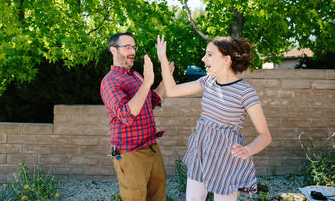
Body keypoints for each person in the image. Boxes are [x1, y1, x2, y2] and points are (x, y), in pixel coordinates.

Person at [156, 35, 272, 201]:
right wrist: (162, 58)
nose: (203, 59)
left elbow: (265, 136)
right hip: (200, 152)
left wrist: (247, 150)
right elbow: (172, 91)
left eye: (209, 54)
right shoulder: (208, 81)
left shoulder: (246, 93)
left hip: (226, 159)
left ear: (226, 59)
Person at [100, 32, 174, 201]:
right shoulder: (110, 81)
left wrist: (164, 78)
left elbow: (153, 100)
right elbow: (126, 115)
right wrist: (148, 81)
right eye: (127, 47)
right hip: (130, 153)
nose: (132, 51)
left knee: (158, 195)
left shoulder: (136, 76)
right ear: (113, 50)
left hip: (152, 147)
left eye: (134, 47)